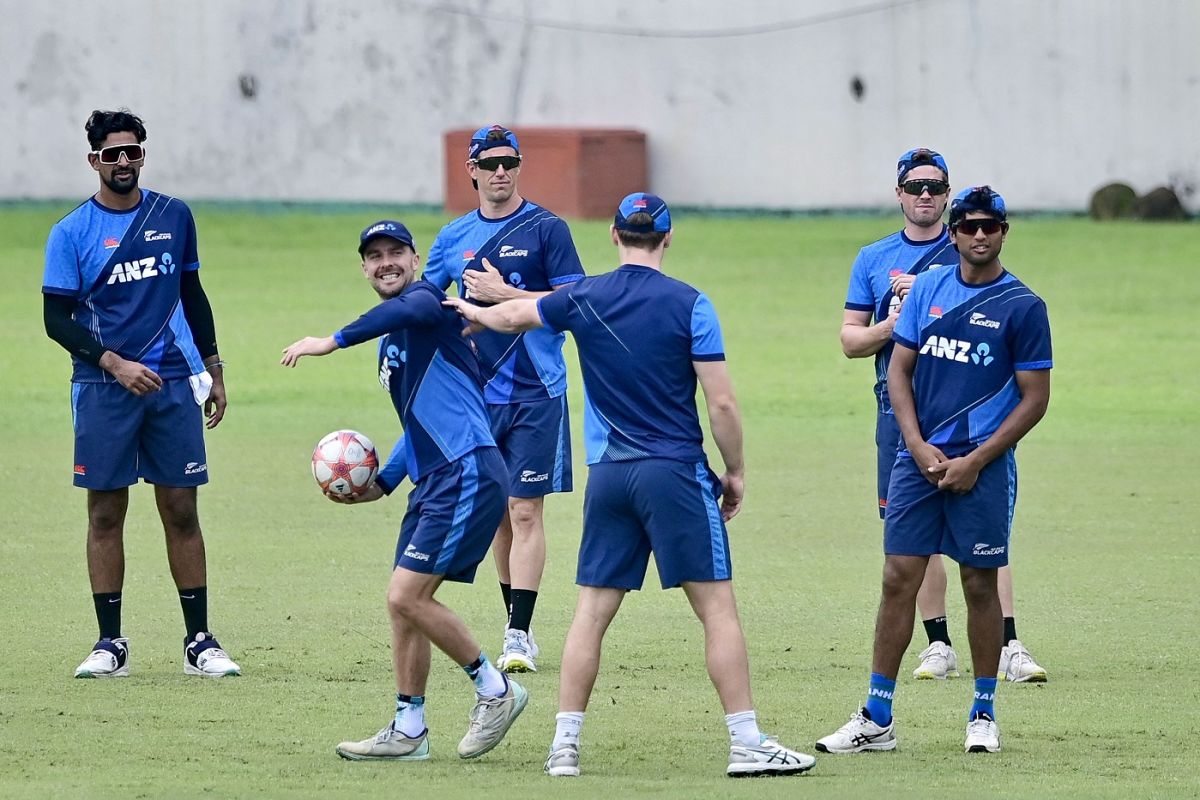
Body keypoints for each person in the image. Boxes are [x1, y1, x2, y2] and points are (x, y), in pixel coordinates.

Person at [445, 194, 816, 778]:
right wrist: (736, 470)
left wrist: (462, 308)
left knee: (591, 613)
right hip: (674, 473)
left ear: (615, 235)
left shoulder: (585, 296)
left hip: (610, 476)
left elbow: (511, 316)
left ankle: (563, 746)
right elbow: (720, 401)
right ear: (668, 238)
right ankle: (746, 742)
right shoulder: (692, 303)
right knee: (717, 610)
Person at [281, 220, 527, 762]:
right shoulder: (396, 337)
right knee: (404, 605)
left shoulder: (426, 305)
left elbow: (415, 309)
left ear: (416, 260)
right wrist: (385, 481)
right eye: (375, 256)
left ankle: (496, 689)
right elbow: (420, 418)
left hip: (465, 469)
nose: (386, 262)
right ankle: (408, 728)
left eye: (396, 252)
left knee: (406, 595)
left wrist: (331, 340)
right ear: (364, 267)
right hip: (435, 474)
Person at [818, 186, 1052, 755]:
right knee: (899, 575)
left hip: (983, 466)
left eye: (988, 226)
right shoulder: (928, 290)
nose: (978, 234)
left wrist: (976, 459)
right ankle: (876, 716)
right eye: (968, 226)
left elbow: (1035, 398)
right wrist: (918, 446)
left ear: (1003, 231)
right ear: (953, 233)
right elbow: (898, 371)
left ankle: (983, 712)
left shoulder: (1023, 306)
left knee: (978, 582)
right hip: (916, 462)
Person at [42, 108, 239, 679]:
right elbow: (57, 319)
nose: (123, 162)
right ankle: (110, 644)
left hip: (173, 383)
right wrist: (114, 363)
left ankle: (200, 641)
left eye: (133, 152)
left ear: (143, 155)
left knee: (181, 507)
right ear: (94, 161)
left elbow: (192, 293)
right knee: (106, 510)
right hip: (104, 388)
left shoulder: (173, 215)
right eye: (112, 154)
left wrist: (214, 367)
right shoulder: (71, 232)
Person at [422, 124, 585, 673]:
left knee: (525, 509)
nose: (500, 171)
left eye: (509, 162)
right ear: (470, 169)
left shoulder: (547, 229)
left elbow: (575, 304)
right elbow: (428, 304)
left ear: (519, 167)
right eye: (489, 162)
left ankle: (519, 634)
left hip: (538, 391)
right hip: (476, 395)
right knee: (498, 515)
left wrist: (506, 296)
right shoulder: (451, 238)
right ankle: (514, 618)